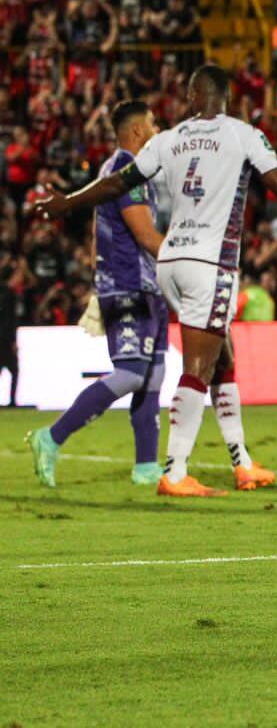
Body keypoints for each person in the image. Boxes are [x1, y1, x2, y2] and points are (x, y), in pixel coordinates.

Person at [31, 66, 277, 497]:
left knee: (222, 356)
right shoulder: (243, 135)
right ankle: (175, 472)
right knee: (198, 366)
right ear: (226, 98)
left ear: (193, 97)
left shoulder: (169, 139)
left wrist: (69, 202)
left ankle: (242, 462)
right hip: (209, 263)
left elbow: (117, 183)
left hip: (169, 263)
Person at [25, 101, 169, 487]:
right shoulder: (124, 172)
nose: (158, 130)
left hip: (146, 285)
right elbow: (146, 236)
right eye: (153, 123)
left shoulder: (129, 172)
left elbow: (100, 234)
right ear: (137, 131)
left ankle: (146, 466)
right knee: (132, 374)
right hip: (128, 285)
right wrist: (192, 263)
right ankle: (51, 437)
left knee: (153, 375)